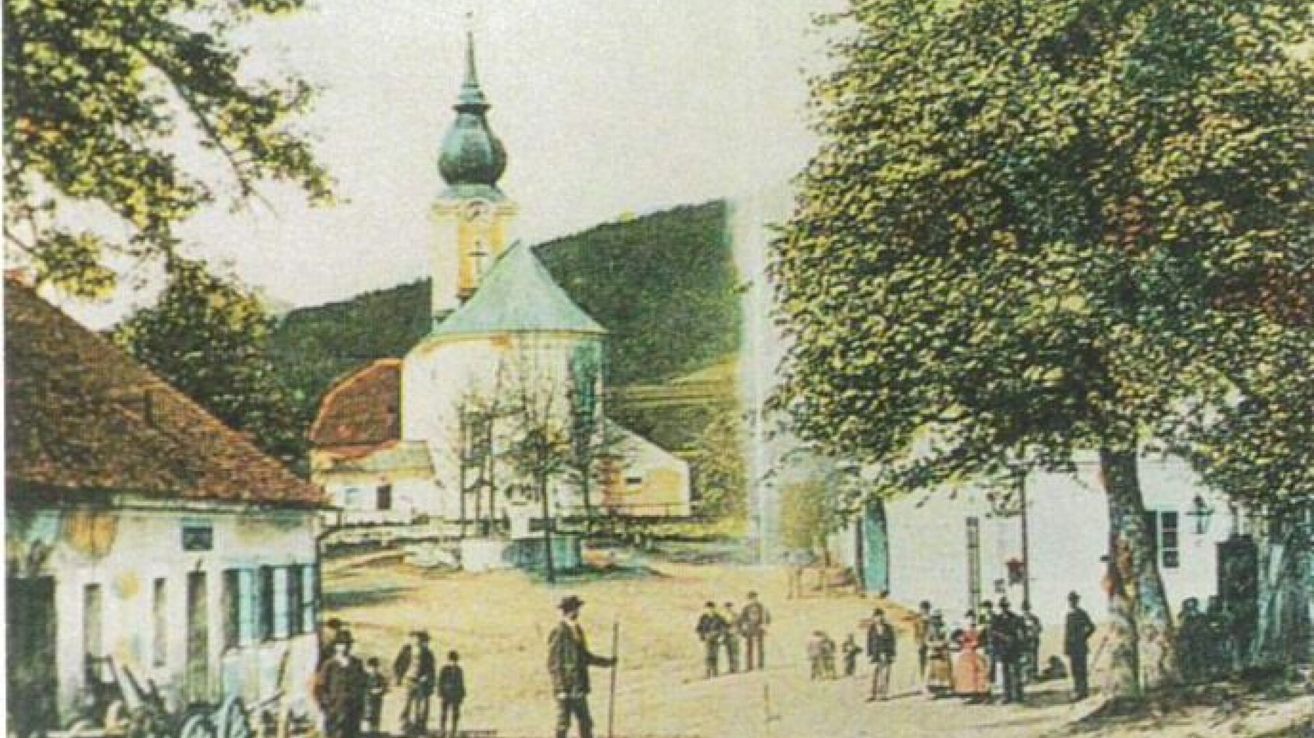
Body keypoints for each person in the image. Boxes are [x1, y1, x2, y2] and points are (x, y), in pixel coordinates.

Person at [547, 595, 616, 738]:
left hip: (579, 685)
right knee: (563, 723)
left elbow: (584, 657)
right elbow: (553, 663)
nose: (577, 612)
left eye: (577, 609)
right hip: (566, 687)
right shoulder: (559, 632)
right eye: (574, 609)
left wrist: (607, 662)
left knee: (585, 722)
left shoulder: (577, 630)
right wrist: (560, 688)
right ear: (567, 611)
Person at [315, 636, 367, 738]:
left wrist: (359, 702)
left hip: (352, 708)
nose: (344, 647)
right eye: (341, 644)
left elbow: (362, 684)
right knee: (334, 733)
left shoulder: (356, 663)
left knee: (351, 733)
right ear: (336, 647)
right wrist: (327, 703)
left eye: (347, 644)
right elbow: (321, 687)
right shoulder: (329, 664)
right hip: (334, 708)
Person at [394, 630, 436, 736]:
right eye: (415, 638)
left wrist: (427, 677)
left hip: (421, 683)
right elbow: (397, 665)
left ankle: (420, 728)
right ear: (411, 639)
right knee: (404, 705)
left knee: (422, 707)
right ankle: (402, 728)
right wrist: (399, 677)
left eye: (420, 639)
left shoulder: (427, 653)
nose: (417, 641)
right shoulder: (406, 650)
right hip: (408, 680)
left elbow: (431, 669)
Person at [991, 598, 1026, 703]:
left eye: (1005, 606)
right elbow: (993, 635)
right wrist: (998, 647)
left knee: (1016, 673)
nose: (1004, 609)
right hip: (1003, 650)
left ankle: (1019, 696)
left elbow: (1022, 634)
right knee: (1005, 674)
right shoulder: (997, 620)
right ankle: (1007, 696)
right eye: (1002, 607)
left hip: (1014, 649)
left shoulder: (1015, 618)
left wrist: (1020, 646)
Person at [952, 611, 990, 703]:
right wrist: (960, 641)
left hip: (976, 652)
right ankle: (968, 693)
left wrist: (978, 643)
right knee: (965, 671)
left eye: (973, 619)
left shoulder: (979, 630)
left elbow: (983, 640)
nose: (971, 621)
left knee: (979, 671)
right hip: (966, 652)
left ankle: (981, 693)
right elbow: (956, 638)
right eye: (969, 619)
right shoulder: (964, 630)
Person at [1064, 592, 1096, 700]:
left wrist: (1083, 636)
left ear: (1077, 601)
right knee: (1074, 670)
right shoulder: (1068, 615)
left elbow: (1091, 627)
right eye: (1070, 600)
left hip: (1080, 646)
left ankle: (1083, 691)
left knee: (1082, 669)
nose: (1071, 602)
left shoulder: (1082, 614)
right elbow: (1067, 633)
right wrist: (1066, 647)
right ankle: (1077, 689)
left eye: (1073, 600)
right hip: (1072, 647)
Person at [866, 609, 896, 701]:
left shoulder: (888, 628)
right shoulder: (872, 628)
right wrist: (869, 653)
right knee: (873, 674)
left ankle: (883, 694)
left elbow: (893, 641)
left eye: (881, 616)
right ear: (874, 617)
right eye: (877, 616)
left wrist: (892, 654)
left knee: (885, 674)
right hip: (875, 654)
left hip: (886, 653)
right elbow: (869, 641)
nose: (879, 618)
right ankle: (871, 694)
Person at [1177, 597, 1208, 684]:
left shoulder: (1201, 616)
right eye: (1189, 605)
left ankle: (1202, 676)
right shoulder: (1183, 616)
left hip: (1199, 640)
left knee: (1201, 657)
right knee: (1189, 659)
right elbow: (1181, 628)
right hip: (1188, 641)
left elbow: (1204, 627)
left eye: (1192, 604)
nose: (1191, 607)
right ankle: (1191, 677)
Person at [739, 591, 771, 671]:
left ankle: (760, 664)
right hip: (750, 629)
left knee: (760, 647)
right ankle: (749, 666)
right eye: (751, 598)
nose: (753, 600)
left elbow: (767, 617)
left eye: (754, 598)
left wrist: (765, 625)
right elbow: (742, 618)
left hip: (759, 628)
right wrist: (743, 626)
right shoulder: (746, 608)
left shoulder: (762, 607)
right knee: (749, 648)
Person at [924, 611, 954, 696]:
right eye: (935, 618)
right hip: (933, 653)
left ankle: (944, 689)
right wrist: (933, 645)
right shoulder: (930, 629)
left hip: (943, 652)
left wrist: (942, 644)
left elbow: (948, 638)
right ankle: (931, 689)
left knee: (944, 670)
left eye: (938, 618)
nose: (936, 620)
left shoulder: (944, 627)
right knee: (931, 671)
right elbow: (926, 640)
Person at [437, 650, 465, 738]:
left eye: (455, 661)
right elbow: (440, 682)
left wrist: (462, 694)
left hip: (456, 695)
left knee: (455, 714)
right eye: (452, 661)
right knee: (444, 713)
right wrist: (440, 693)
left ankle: (453, 730)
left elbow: (461, 683)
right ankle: (442, 730)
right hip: (446, 695)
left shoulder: (459, 670)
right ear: (449, 660)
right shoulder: (444, 669)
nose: (454, 663)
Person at [696, 601, 726, 678]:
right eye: (708, 608)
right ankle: (708, 672)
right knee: (708, 655)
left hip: (716, 637)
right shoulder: (703, 617)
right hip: (707, 638)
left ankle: (715, 672)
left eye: (711, 608)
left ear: (714, 608)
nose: (710, 609)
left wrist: (721, 636)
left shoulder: (718, 617)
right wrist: (702, 636)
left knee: (715, 654)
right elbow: (698, 628)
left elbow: (724, 627)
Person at [362, 657, 388, 738]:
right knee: (366, 718)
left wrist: (380, 690)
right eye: (372, 667)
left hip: (377, 702)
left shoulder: (380, 677)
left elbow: (384, 687)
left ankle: (374, 733)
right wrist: (369, 691)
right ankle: (366, 734)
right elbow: (362, 688)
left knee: (375, 718)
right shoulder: (365, 677)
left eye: (375, 667)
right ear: (368, 667)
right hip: (367, 701)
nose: (373, 670)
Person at [1021, 601, 1043, 681]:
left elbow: (1040, 628)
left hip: (1033, 641)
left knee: (1034, 659)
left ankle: (1034, 676)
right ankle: (1026, 676)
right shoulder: (1021, 619)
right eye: (1024, 609)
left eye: (1027, 609)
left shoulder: (1034, 618)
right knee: (1026, 659)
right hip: (1025, 642)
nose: (1026, 611)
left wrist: (1034, 631)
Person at [913, 601, 932, 682]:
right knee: (920, 664)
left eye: (926, 609)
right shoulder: (918, 620)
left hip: (929, 643)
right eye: (923, 609)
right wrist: (917, 642)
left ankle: (926, 682)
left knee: (929, 664)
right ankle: (921, 681)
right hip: (921, 643)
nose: (924, 611)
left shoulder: (931, 620)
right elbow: (915, 632)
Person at [721, 602, 741, 674]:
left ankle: (736, 668)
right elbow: (722, 626)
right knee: (729, 652)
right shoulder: (724, 617)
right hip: (727, 636)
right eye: (727, 607)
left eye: (729, 607)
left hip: (734, 636)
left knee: (735, 652)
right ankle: (731, 668)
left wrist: (735, 631)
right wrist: (725, 632)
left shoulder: (736, 616)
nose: (728, 608)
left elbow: (739, 625)